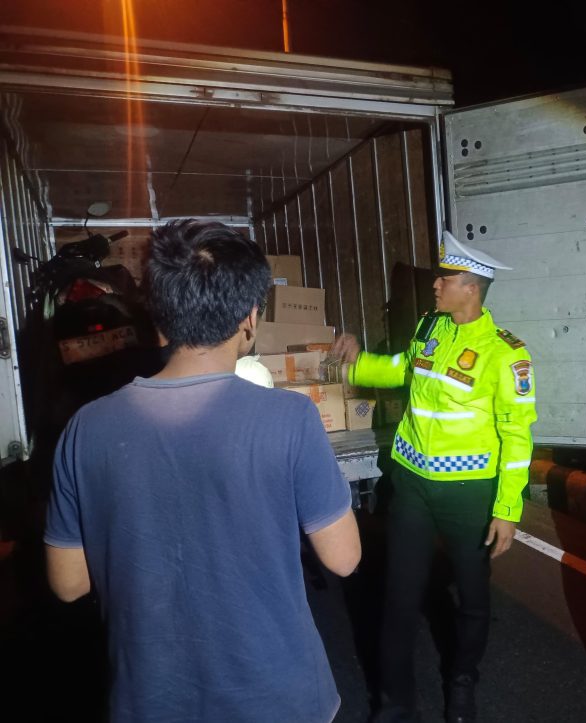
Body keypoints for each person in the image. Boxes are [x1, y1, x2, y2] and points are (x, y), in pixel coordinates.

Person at [44, 220, 361, 722]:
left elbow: (69, 584)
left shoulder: (86, 428)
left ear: (158, 319)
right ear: (250, 317)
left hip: (150, 699)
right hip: (277, 697)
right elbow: (343, 558)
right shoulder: (290, 418)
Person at [332, 231, 536, 723]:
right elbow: (402, 369)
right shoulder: (431, 327)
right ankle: (394, 706)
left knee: (472, 596)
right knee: (399, 596)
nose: (436, 285)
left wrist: (508, 510)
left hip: (469, 495)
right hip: (412, 487)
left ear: (471, 288)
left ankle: (462, 683)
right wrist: (356, 364)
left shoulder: (506, 354)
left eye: (446, 278)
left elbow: (517, 436)